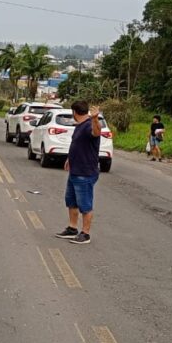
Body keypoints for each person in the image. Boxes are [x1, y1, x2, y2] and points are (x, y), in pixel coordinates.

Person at [56, 101, 102, 245]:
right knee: (71, 201)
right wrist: (70, 158)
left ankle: (85, 233)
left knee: (85, 204)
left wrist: (95, 119)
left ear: (74, 112)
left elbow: (97, 132)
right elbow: (77, 144)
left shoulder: (89, 124)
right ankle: (72, 228)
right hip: (75, 170)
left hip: (85, 172)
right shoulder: (80, 126)